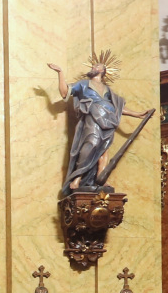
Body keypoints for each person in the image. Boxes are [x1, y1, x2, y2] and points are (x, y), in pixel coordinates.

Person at [46, 52, 155, 195]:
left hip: (109, 121)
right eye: (93, 66)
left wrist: (137, 114)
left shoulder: (108, 90)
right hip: (92, 118)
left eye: (97, 66)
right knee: (90, 144)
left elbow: (117, 108)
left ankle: (101, 179)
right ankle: (77, 177)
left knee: (104, 150)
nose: (93, 67)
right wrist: (60, 72)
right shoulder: (83, 84)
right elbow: (65, 92)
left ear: (103, 71)